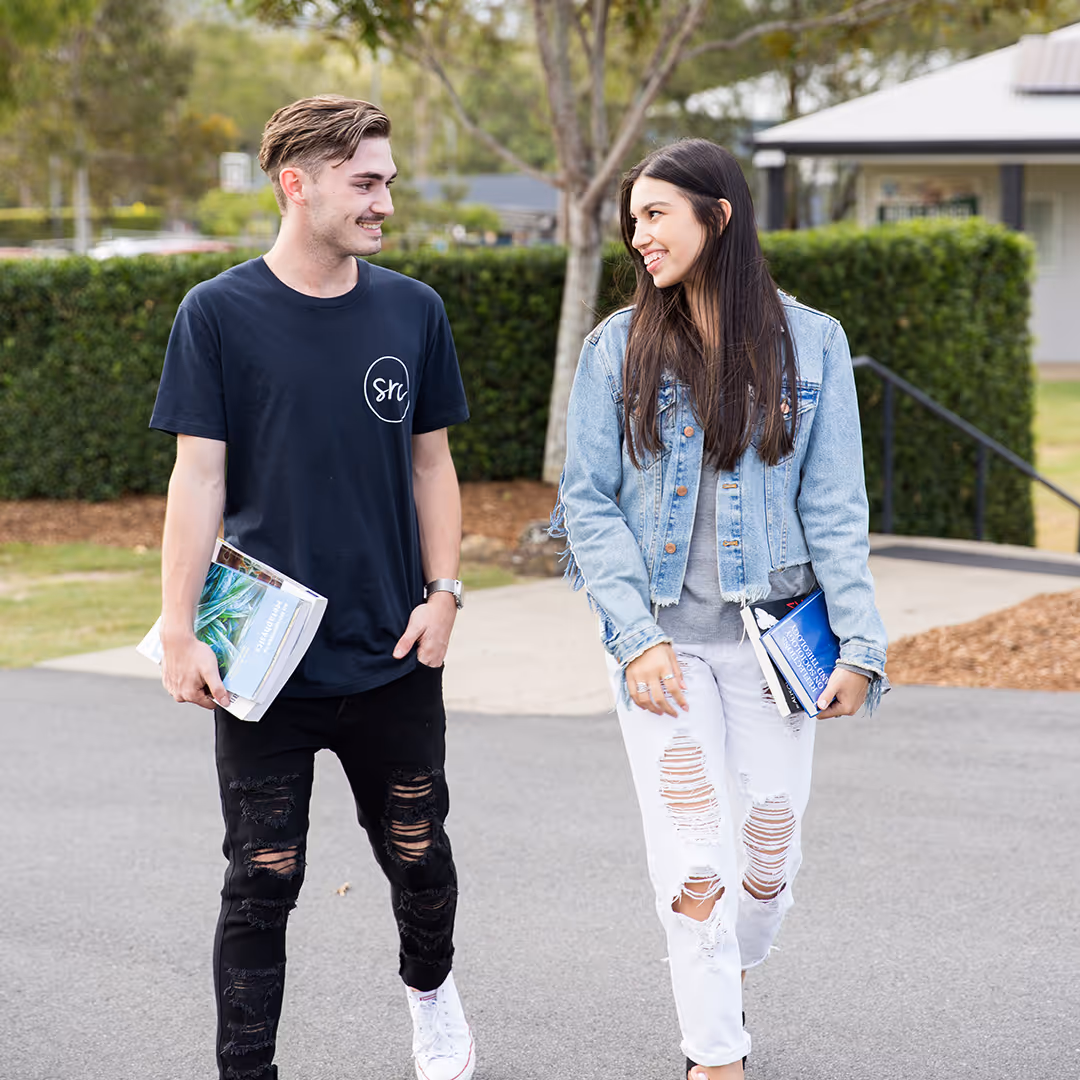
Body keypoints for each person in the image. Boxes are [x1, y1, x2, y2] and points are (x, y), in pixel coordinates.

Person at [150, 96, 475, 1080]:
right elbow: (198, 479)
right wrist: (177, 629)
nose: (384, 200)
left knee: (418, 853)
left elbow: (432, 466)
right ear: (298, 184)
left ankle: (431, 990)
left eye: (386, 179)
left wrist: (445, 593)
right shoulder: (216, 313)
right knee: (261, 879)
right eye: (365, 181)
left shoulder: (413, 310)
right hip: (263, 660)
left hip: (392, 649)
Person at [550, 138, 888, 1079]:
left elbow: (835, 507)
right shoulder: (616, 348)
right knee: (695, 860)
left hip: (774, 640)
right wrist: (634, 637)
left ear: (719, 216)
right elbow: (587, 504)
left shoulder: (810, 343)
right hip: (662, 648)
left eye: (656, 212)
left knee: (765, 852)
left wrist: (860, 645)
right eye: (633, 216)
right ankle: (715, 1056)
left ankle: (722, 969)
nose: (637, 233)